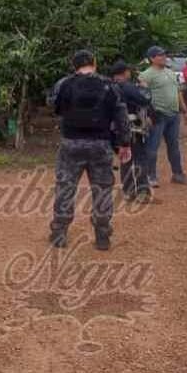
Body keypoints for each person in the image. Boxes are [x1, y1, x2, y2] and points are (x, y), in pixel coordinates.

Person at [49, 50, 131, 251]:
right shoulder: (110, 86)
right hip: (100, 145)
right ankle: (102, 236)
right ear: (94, 63)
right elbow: (121, 116)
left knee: (65, 188)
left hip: (71, 144)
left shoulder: (63, 84)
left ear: (73, 65)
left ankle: (59, 233)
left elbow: (54, 106)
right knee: (102, 189)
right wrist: (124, 143)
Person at [139, 46, 187, 187]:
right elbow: (143, 97)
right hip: (158, 115)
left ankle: (178, 174)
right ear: (152, 58)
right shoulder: (146, 75)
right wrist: (148, 116)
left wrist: (185, 111)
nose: (164, 57)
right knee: (152, 147)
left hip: (174, 115)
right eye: (160, 55)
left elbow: (178, 92)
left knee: (174, 146)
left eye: (164, 54)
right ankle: (150, 176)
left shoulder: (170, 72)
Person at [110, 61, 153, 203]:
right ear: (125, 72)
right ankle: (142, 192)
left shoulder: (109, 87)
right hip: (132, 129)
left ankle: (128, 192)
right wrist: (145, 89)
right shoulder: (128, 87)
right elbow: (145, 99)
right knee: (140, 159)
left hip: (116, 130)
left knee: (125, 160)